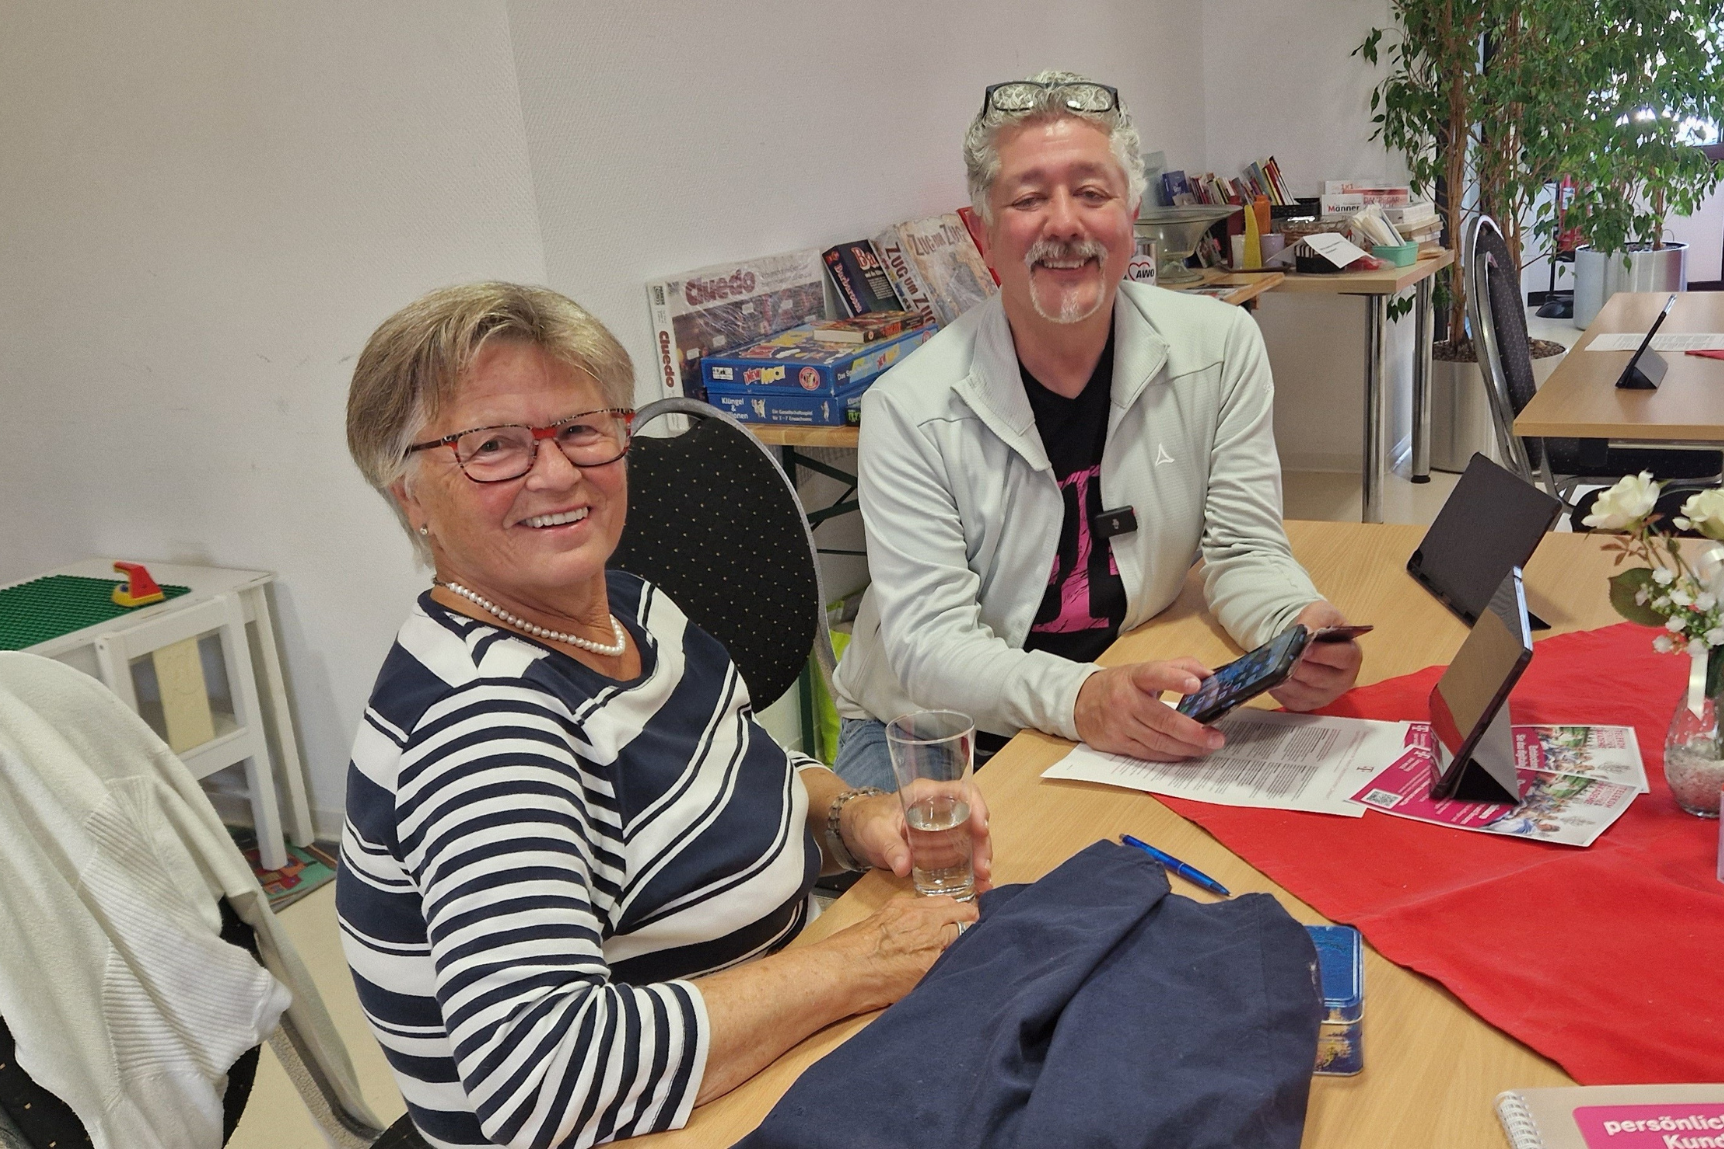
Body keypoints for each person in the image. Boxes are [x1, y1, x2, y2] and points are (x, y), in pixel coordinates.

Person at [336, 283, 989, 1149]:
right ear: (410, 494)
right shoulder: (485, 726)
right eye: (493, 446)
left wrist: (852, 815)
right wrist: (854, 966)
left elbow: (743, 771)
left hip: (768, 1071)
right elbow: (546, 1079)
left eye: (580, 428)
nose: (558, 470)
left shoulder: (628, 606)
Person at [831, 71, 1364, 791]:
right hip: (933, 726)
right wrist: (1080, 699)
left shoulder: (1222, 347)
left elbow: (1244, 547)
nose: (1064, 224)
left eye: (1091, 192)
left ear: (1131, 214)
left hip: (1118, 678)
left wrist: (1295, 624)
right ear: (985, 235)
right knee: (967, 900)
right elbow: (931, 646)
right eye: (1028, 198)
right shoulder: (909, 408)